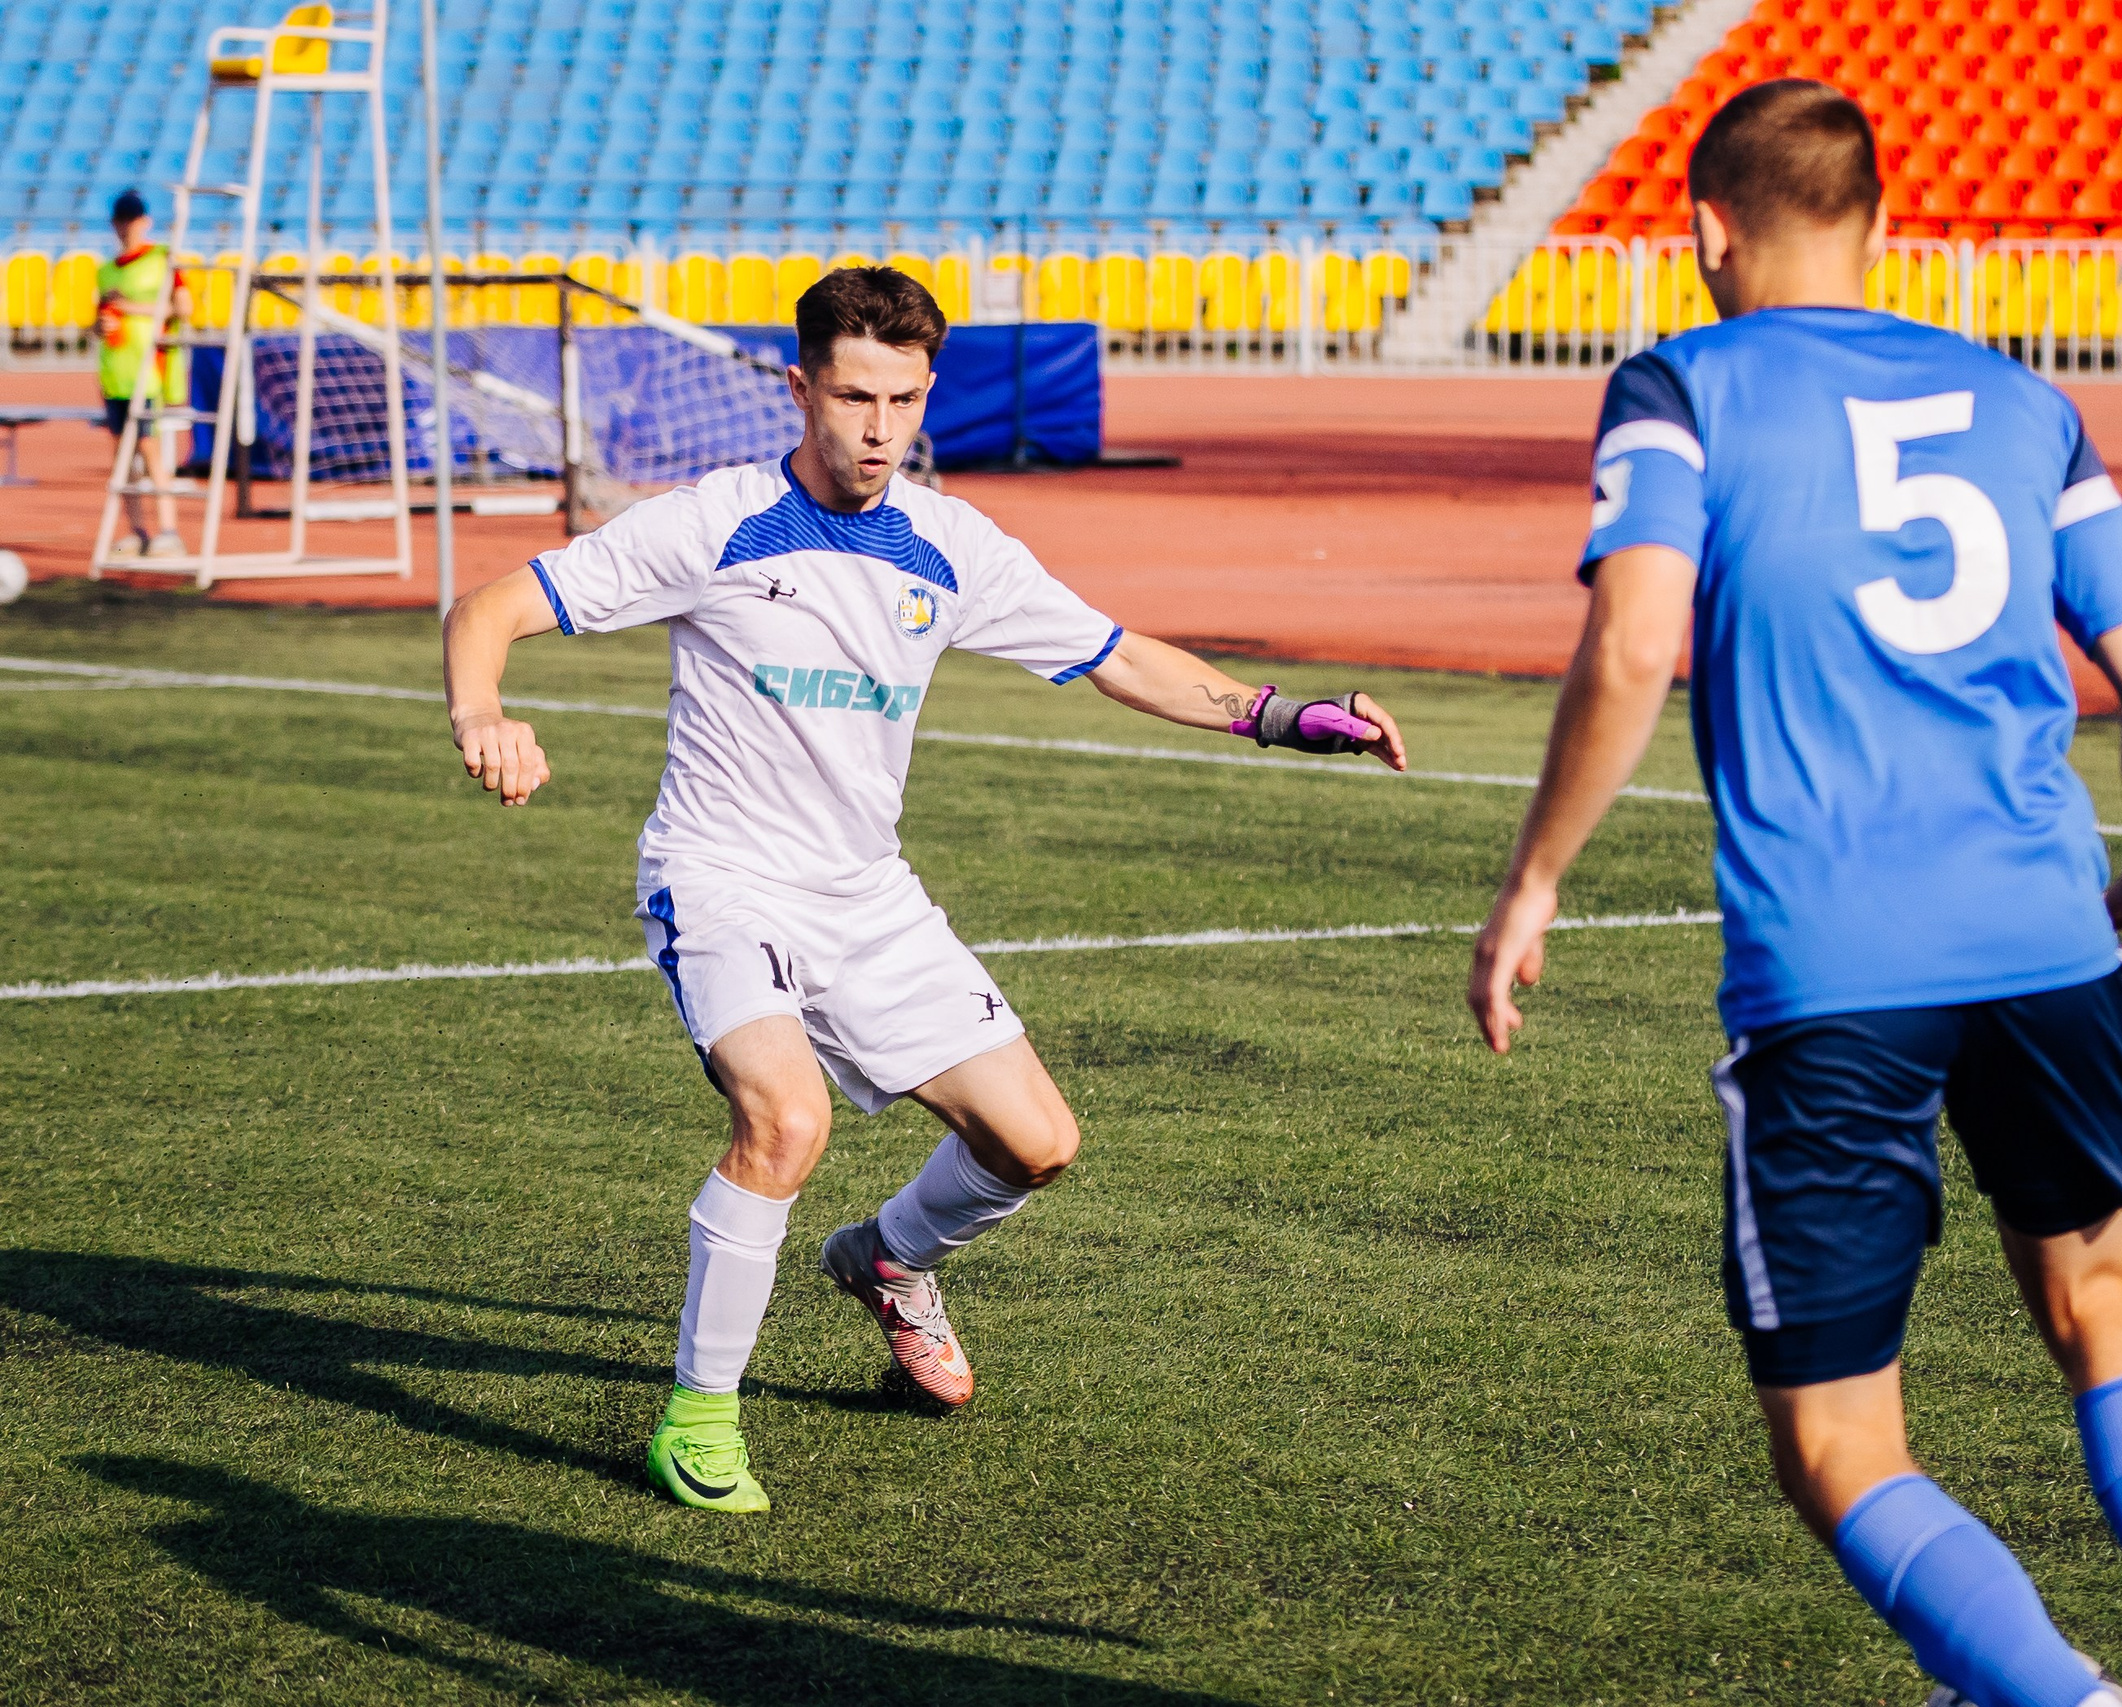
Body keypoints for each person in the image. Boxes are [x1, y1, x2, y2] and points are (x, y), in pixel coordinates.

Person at [1468, 82, 2122, 1707]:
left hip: (1835, 968)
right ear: (1881, 223)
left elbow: (1636, 642)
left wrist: (1534, 883)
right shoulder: (2021, 397)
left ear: (1705, 232)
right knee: (2100, 1291)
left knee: (1839, 1441)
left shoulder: (1677, 383)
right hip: (2051, 934)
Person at [441, 266, 1407, 1513]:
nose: (879, 428)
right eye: (853, 396)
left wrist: (1282, 715)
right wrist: (485, 713)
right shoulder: (713, 523)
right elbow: (491, 606)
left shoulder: (952, 543)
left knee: (1036, 1145)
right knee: (786, 1123)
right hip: (722, 881)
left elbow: (1118, 658)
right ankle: (698, 1417)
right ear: (800, 389)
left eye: (903, 398)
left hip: (868, 898)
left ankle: (888, 1262)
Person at [94, 189, 190, 559]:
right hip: (114, 372)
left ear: (145, 223)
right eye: (121, 222)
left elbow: (183, 309)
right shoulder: (106, 270)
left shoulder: (162, 260)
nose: (126, 229)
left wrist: (131, 307)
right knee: (122, 457)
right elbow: (99, 319)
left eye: (132, 221)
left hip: (148, 372)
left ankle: (169, 530)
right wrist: (99, 327)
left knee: (149, 451)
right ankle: (138, 530)